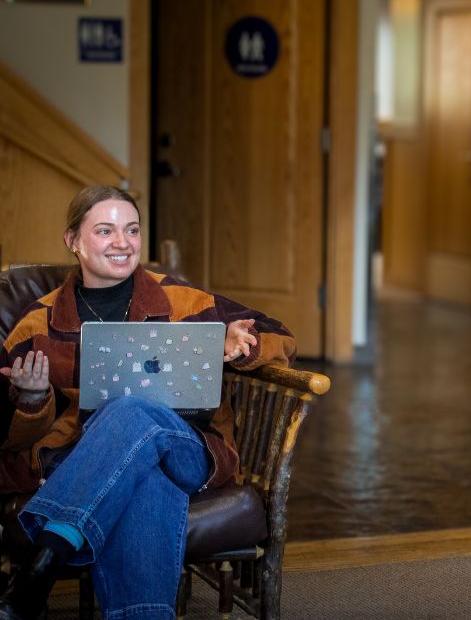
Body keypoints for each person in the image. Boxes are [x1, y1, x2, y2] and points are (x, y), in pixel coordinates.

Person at [0, 185, 296, 620]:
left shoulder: (184, 301)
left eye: (132, 229)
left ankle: (45, 559)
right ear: (73, 241)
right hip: (81, 458)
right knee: (143, 477)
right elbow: (9, 438)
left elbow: (282, 335)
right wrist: (30, 397)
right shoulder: (36, 325)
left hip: (189, 449)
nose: (122, 242)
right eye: (105, 230)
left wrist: (240, 343)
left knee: (127, 408)